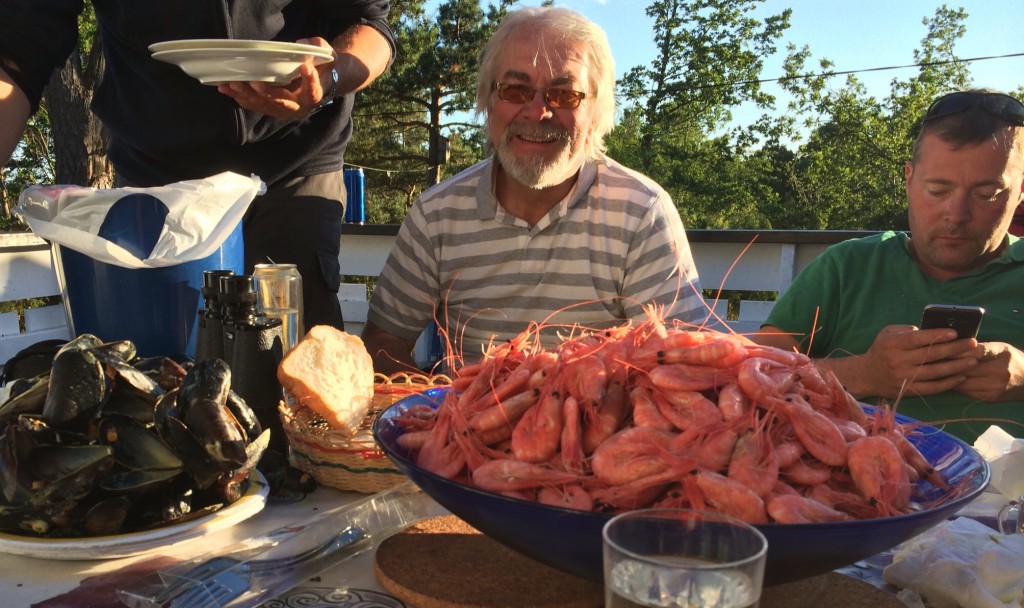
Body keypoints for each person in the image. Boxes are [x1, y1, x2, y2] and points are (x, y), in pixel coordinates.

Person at [0, 1, 396, 332]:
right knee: (160, 380)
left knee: (300, 381)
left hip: (295, 168)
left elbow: (370, 26)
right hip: (154, 187)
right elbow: (19, 48)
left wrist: (330, 76)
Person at [361, 6, 704, 374]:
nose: (537, 111)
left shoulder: (643, 213)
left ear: (597, 112)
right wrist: (433, 407)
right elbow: (384, 341)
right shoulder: (436, 215)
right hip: (468, 423)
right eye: (515, 90)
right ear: (487, 102)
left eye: (564, 94)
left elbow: (683, 368)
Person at [755, 89, 1024, 443]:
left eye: (986, 194)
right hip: (844, 487)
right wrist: (864, 372)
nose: (956, 215)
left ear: (1020, 192)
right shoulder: (846, 267)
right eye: (938, 190)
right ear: (909, 180)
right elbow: (751, 373)